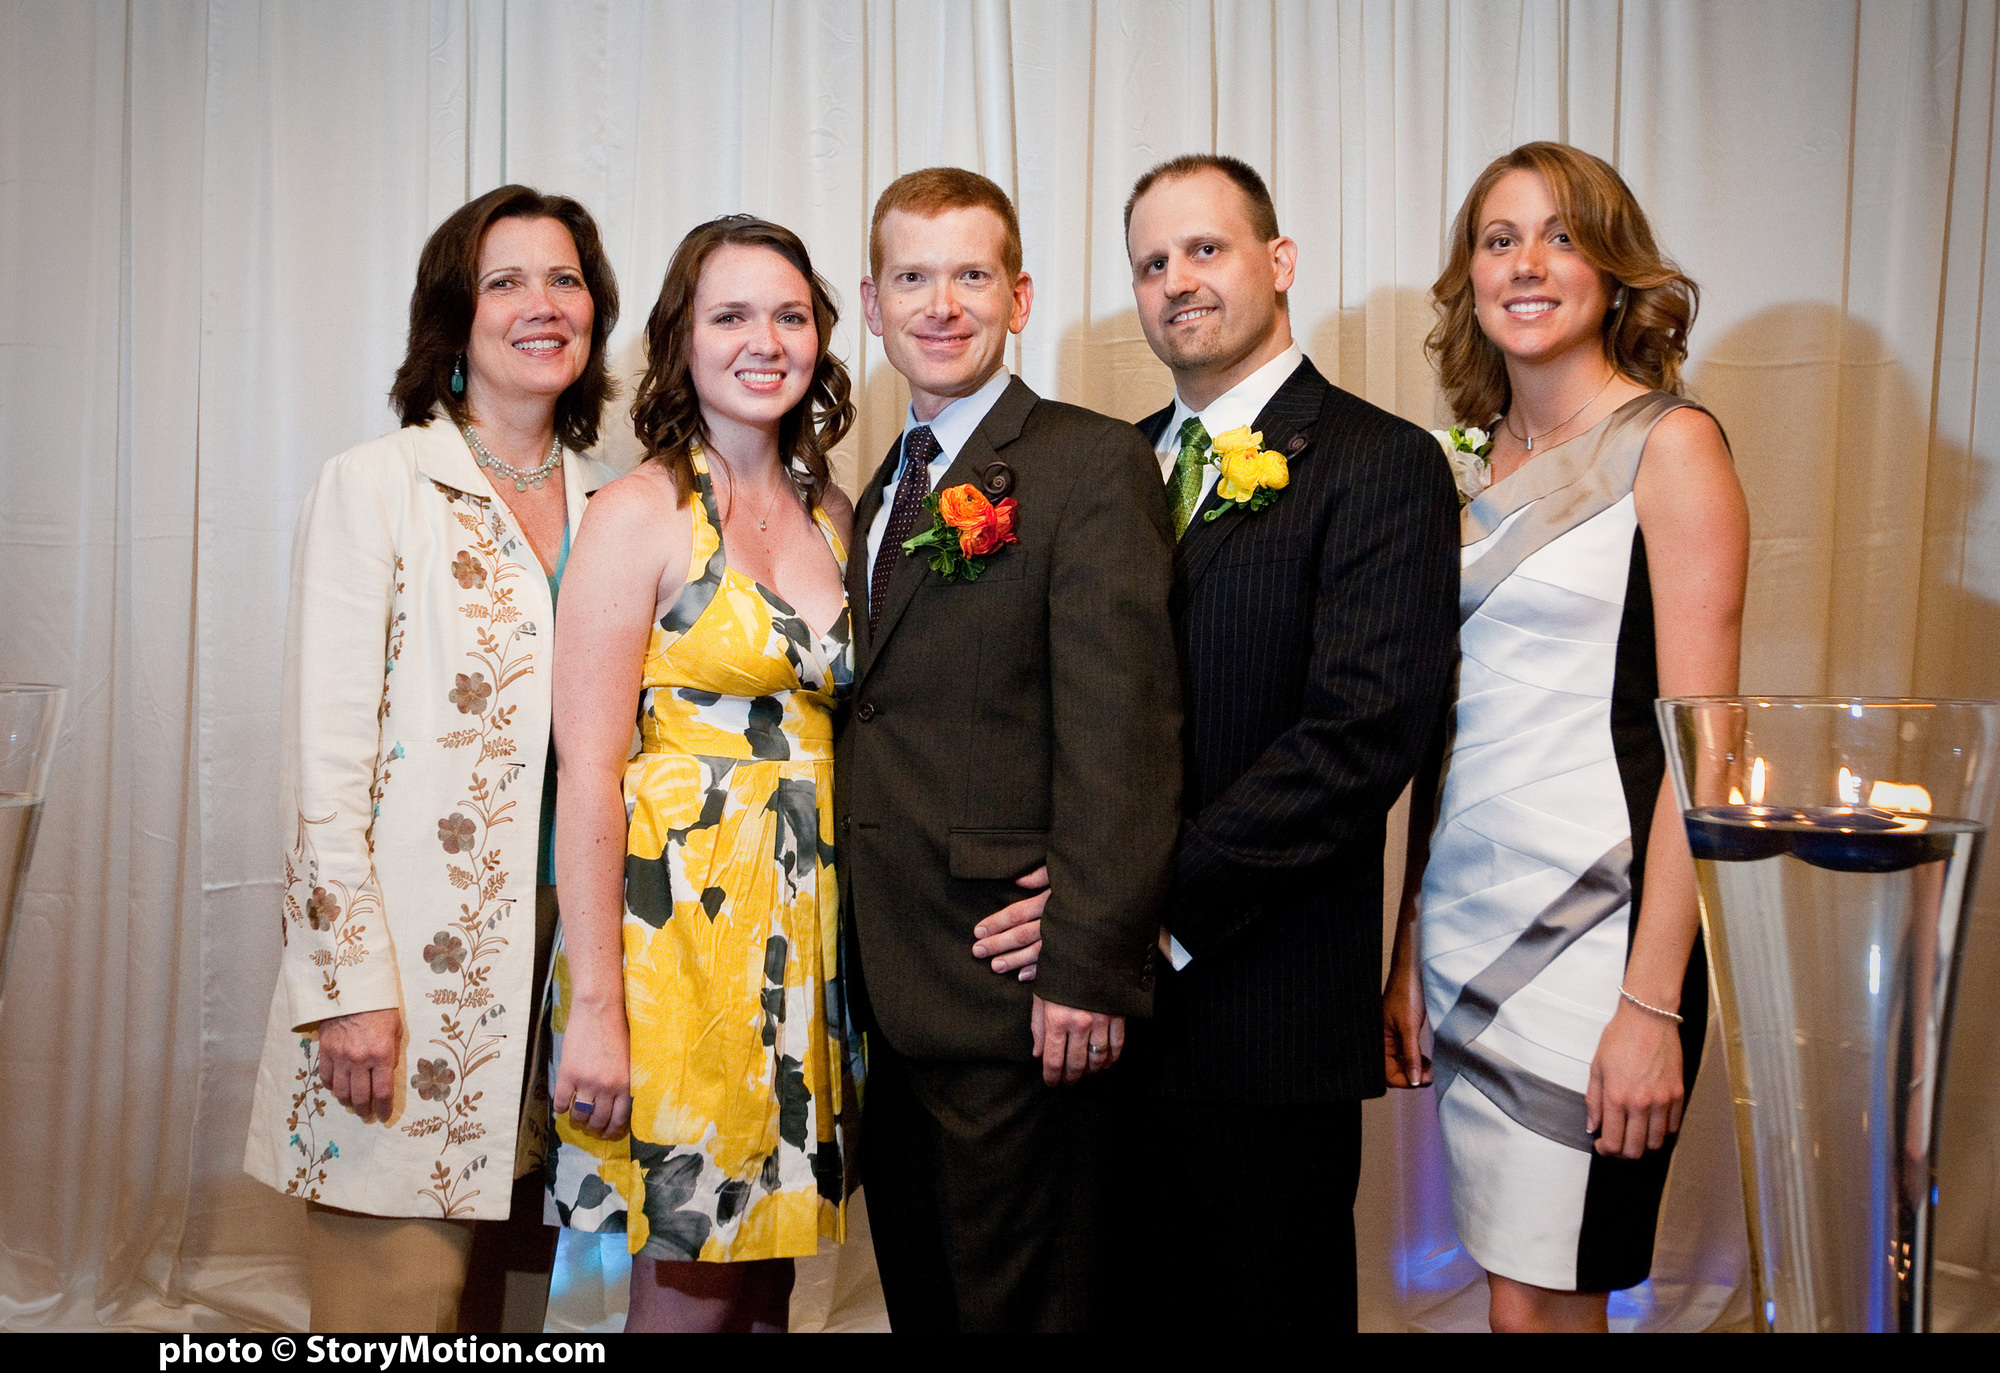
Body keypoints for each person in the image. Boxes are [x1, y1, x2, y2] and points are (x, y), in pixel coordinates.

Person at [1382, 141, 1748, 1333]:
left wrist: (1651, 1003)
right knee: (1512, 1295)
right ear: (1469, 277)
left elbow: (1706, 745)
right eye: (1499, 240)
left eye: (1560, 236)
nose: (1526, 263)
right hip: (1464, 925)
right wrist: (1406, 944)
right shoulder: (1460, 463)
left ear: (1611, 267)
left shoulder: (1670, 446)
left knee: (1549, 1300)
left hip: (1598, 939)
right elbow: (1443, 732)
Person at [243, 185, 620, 1332]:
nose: (541, 304)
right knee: (397, 1301)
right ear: (454, 319)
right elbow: (322, 760)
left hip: (585, 957)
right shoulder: (378, 484)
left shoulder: (622, 500)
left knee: (557, 1290)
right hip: (416, 960)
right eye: (506, 282)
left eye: (563, 280)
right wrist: (347, 985)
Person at [1112, 153, 1461, 1331]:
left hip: (1264, 1007)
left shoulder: (1378, 461)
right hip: (1097, 1019)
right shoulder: (1110, 464)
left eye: (1204, 249)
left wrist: (1144, 900)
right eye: (1151, 262)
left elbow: (1360, 734)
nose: (1176, 280)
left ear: (1279, 260)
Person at [836, 167, 1181, 1332]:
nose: (941, 304)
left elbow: (1124, 731)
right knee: (927, 1302)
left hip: (1014, 993)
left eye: (970, 275)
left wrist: (1089, 959)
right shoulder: (879, 487)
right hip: (888, 996)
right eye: (911, 278)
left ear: (1018, 296)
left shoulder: (1087, 462)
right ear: (872, 304)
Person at [542, 216, 858, 1333]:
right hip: (674, 948)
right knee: (689, 1291)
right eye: (731, 315)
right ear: (681, 339)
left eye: (789, 314)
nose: (764, 340)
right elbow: (588, 772)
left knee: (767, 1286)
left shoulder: (835, 512)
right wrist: (596, 1009)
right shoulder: (639, 512)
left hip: (804, 941)